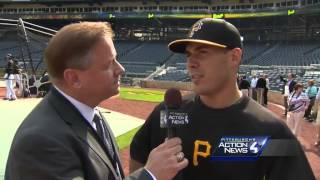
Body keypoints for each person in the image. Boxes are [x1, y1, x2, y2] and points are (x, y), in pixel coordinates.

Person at [129, 18, 315, 180]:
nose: (191, 63)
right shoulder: (168, 113)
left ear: (234, 57)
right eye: (189, 55)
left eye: (202, 52)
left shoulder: (270, 130)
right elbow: (138, 153)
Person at [5, 22, 188, 180]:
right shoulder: (41, 141)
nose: (121, 69)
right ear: (74, 78)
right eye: (109, 64)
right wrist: (150, 175)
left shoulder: (90, 114)